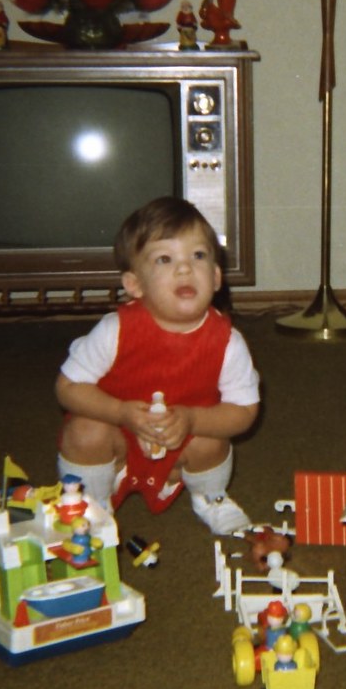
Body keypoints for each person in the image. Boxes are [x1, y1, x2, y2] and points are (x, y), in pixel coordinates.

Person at [55, 197, 259, 535]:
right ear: (135, 284)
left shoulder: (228, 342)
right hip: (116, 444)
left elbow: (244, 411)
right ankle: (90, 502)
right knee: (84, 430)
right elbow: (67, 388)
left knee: (212, 438)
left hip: (180, 448)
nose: (184, 269)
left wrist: (192, 419)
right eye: (165, 259)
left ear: (216, 276)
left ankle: (211, 497)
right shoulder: (113, 330)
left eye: (198, 255)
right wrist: (120, 413)